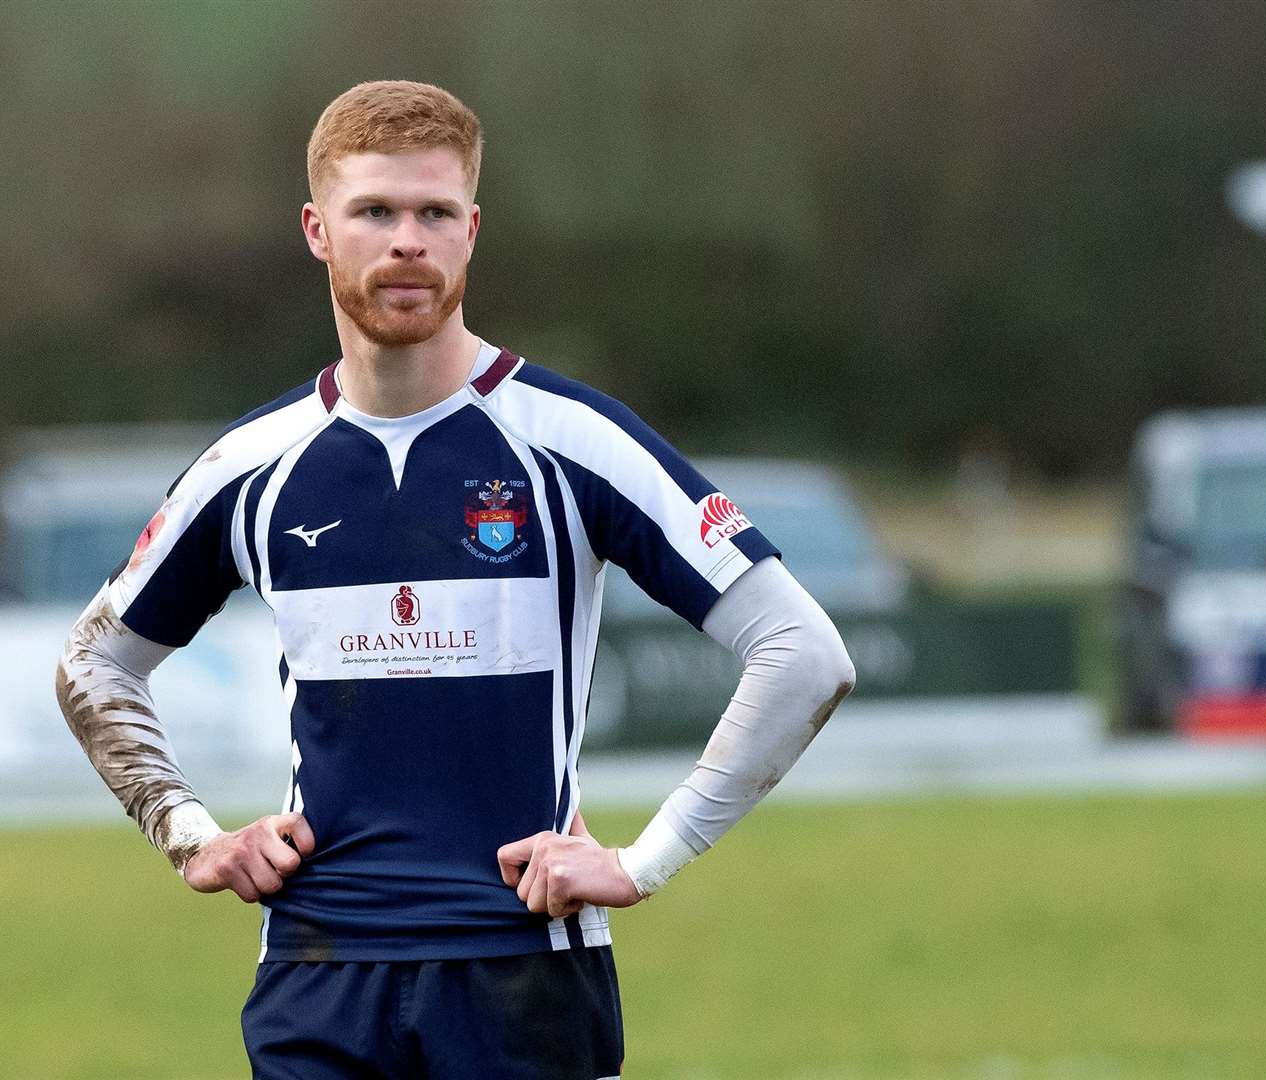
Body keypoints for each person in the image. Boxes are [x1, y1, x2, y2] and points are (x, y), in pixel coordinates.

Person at [55, 80, 855, 1080]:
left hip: (523, 977)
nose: (406, 242)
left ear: (471, 232)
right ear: (316, 230)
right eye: (374, 212)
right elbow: (93, 664)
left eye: (434, 213)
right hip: (317, 975)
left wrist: (643, 861)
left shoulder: (572, 443)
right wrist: (188, 835)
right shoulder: (248, 468)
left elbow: (802, 653)